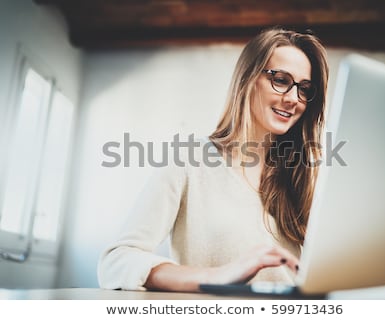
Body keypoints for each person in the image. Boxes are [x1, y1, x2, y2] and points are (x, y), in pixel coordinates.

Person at [97, 27, 329, 292]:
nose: (292, 99)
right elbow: (117, 261)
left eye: (304, 89)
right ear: (248, 78)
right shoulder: (189, 161)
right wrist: (217, 276)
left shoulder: (304, 175)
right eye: (281, 80)